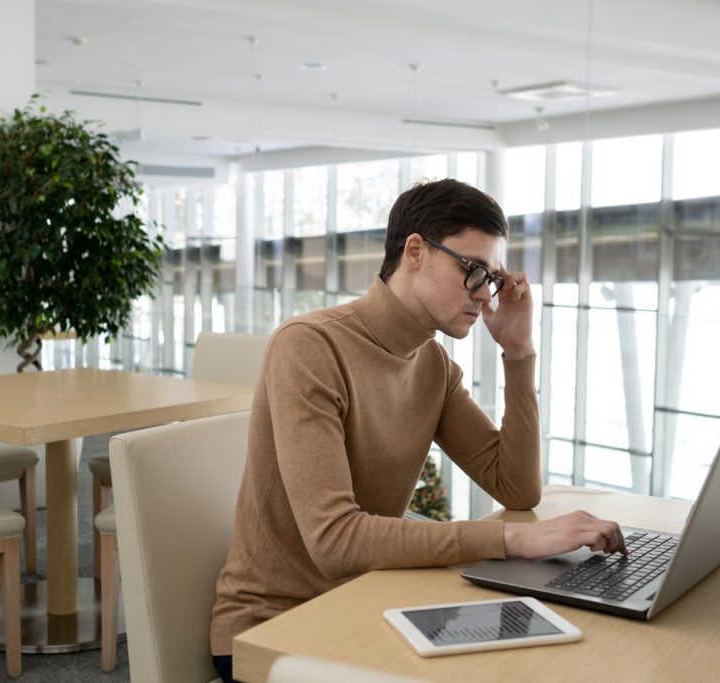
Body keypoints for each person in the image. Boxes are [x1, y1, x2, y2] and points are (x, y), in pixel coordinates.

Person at [209, 178, 626, 682]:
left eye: (492, 280)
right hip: (275, 630)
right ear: (415, 251)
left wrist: (518, 354)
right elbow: (336, 540)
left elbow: (516, 486)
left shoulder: (432, 366)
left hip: (370, 602)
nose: (485, 297)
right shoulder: (308, 347)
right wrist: (511, 539)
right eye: (473, 271)